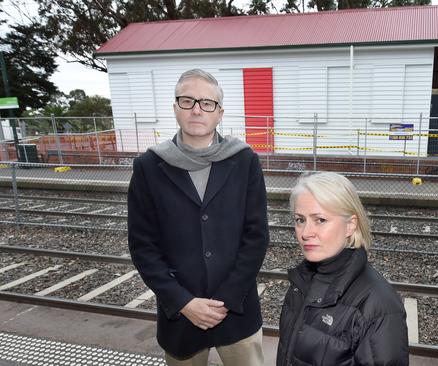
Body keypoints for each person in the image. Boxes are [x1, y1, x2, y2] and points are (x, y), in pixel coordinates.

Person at [127, 69, 269, 366]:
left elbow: (256, 236)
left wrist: (227, 300)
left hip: (237, 310)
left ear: (220, 113)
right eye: (187, 100)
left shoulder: (244, 160)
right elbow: (143, 246)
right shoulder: (149, 166)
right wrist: (183, 302)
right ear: (175, 108)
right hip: (180, 315)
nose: (196, 109)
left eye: (207, 103)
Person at [276, 171, 409, 366]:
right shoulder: (301, 283)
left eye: (320, 220)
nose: (305, 233)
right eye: (300, 220)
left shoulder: (379, 305)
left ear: (350, 225)